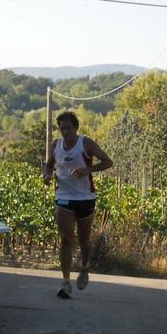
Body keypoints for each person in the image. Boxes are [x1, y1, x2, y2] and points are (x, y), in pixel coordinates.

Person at [43, 112, 113, 298]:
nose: (65, 132)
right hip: (64, 197)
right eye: (62, 128)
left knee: (84, 240)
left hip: (85, 197)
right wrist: (47, 175)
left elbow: (108, 162)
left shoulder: (85, 143)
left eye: (68, 128)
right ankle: (65, 283)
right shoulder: (55, 145)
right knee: (66, 238)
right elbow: (49, 164)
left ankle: (84, 266)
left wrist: (87, 170)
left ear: (76, 128)